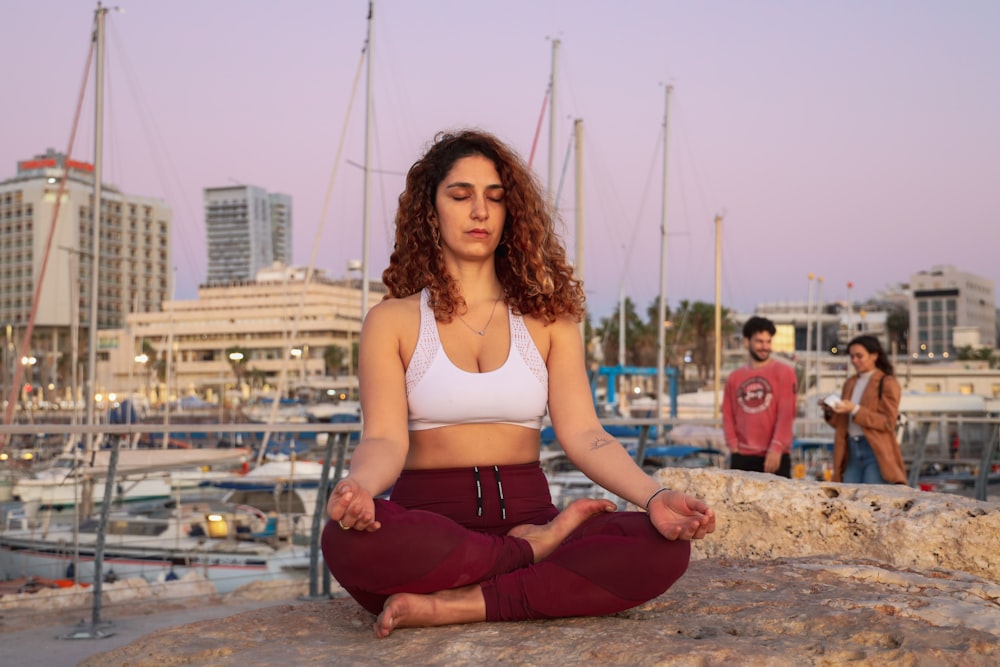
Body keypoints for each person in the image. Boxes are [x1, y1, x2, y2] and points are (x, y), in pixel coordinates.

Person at [321, 129, 715, 638]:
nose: (480, 211)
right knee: (345, 541)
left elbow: (586, 435)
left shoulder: (550, 319)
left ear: (512, 214)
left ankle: (461, 604)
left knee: (661, 548)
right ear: (430, 209)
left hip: (532, 511)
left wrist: (655, 496)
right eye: (461, 196)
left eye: (495, 198)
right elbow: (383, 439)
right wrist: (360, 490)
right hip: (436, 529)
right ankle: (529, 557)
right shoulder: (392, 320)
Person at [821, 334, 907, 484]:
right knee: (849, 498)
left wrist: (855, 409)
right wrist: (830, 410)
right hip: (850, 449)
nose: (854, 360)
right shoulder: (850, 383)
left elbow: (888, 422)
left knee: (871, 500)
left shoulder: (887, 382)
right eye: (852, 356)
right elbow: (840, 424)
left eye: (859, 356)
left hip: (875, 450)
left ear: (874, 355)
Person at [721, 316, 797, 477]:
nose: (765, 347)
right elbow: (727, 414)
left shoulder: (785, 372)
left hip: (775, 456)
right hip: (742, 456)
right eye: (759, 342)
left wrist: (776, 447)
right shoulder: (734, 377)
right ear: (747, 342)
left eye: (768, 342)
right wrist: (733, 446)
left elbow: (786, 414)